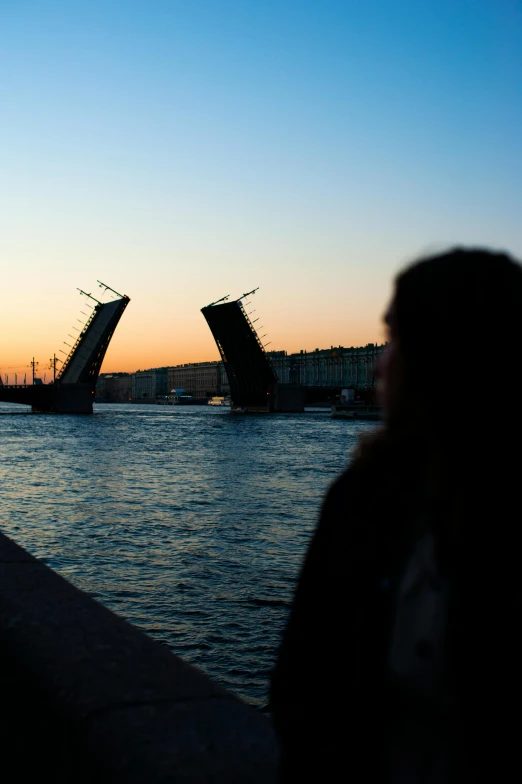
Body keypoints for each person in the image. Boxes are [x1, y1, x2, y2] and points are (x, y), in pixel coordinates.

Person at [270, 247, 522, 782]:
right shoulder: (361, 496)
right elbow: (301, 694)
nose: (381, 364)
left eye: (398, 339)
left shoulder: (363, 497)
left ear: (451, 356)